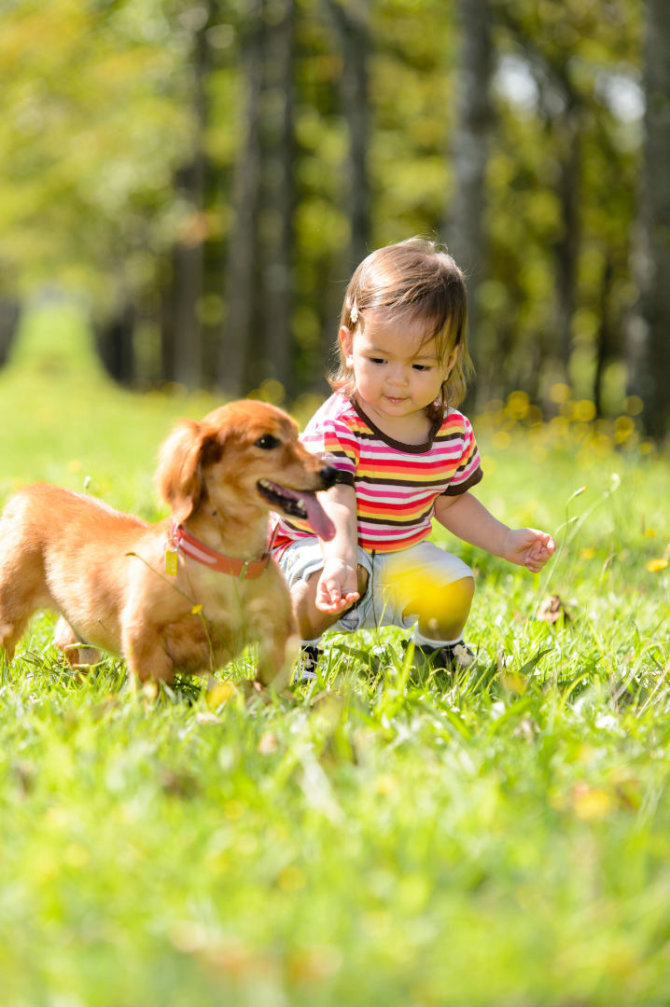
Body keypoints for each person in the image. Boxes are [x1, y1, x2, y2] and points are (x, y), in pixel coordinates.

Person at [271, 237, 555, 680]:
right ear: (349, 345)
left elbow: (452, 502)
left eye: (420, 366)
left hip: (396, 555)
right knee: (317, 585)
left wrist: (504, 540)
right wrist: (341, 558)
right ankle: (295, 645)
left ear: (449, 361)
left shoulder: (451, 433)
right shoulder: (340, 422)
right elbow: (335, 495)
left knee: (455, 583)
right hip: (319, 547)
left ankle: (433, 655)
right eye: (379, 359)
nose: (397, 381)